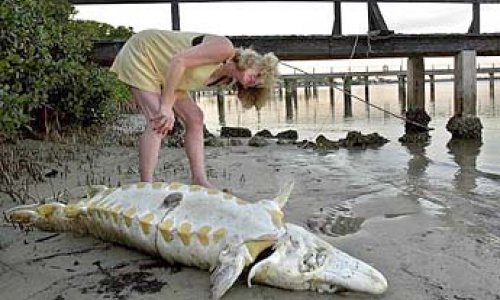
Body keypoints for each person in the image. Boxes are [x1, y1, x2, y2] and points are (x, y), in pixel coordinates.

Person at [110, 29, 279, 188]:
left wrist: (168, 103)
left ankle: (199, 180)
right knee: (159, 119)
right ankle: (146, 186)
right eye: (257, 74)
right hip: (143, 53)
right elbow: (179, 61)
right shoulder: (224, 48)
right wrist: (166, 107)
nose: (253, 81)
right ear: (253, 61)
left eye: (257, 84)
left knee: (195, 118)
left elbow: (180, 80)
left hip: (165, 73)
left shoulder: (224, 79)